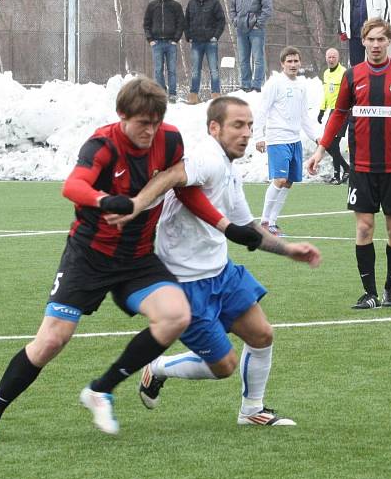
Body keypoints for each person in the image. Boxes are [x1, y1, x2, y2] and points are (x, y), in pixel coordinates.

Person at [0, 77, 262, 443]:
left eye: (156, 122)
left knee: (175, 315)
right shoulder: (103, 145)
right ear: (123, 116)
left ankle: (101, 389)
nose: (150, 131)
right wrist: (105, 200)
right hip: (89, 257)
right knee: (51, 341)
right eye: (142, 123)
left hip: (137, 258)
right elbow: (72, 186)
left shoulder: (169, 141)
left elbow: (183, 190)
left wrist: (226, 226)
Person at [137, 96, 321, 426]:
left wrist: (288, 249)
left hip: (221, 272)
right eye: (238, 125)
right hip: (185, 285)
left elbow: (247, 228)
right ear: (214, 128)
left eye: (250, 125)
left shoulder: (228, 168)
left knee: (262, 335)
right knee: (223, 367)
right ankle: (158, 367)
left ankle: (252, 411)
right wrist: (136, 206)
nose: (246, 133)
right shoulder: (206, 158)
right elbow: (170, 177)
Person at [304, 19, 391, 310]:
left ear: (389, 41)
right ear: (362, 41)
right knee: (364, 229)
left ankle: (390, 289)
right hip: (361, 167)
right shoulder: (352, 77)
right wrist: (321, 150)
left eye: (381, 40)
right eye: (371, 40)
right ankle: (369, 293)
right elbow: (338, 114)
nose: (375, 45)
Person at [254, 46, 318, 237]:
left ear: (300, 62)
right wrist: (258, 136)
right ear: (282, 64)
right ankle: (264, 222)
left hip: (294, 140)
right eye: (289, 61)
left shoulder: (301, 85)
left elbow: (304, 115)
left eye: (295, 61)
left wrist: (316, 137)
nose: (293, 65)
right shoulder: (275, 83)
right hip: (277, 139)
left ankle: (273, 222)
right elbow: (262, 110)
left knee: (289, 182)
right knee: (279, 180)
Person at [229, 0, 273, 92]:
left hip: (256, 31)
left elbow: (267, 10)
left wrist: (258, 24)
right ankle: (245, 84)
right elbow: (232, 8)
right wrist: (235, 21)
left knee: (258, 58)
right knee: (243, 59)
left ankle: (256, 85)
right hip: (241, 30)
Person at [184, 0, 226, 105]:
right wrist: (188, 35)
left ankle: (216, 96)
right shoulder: (191, 3)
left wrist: (216, 36)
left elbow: (221, 21)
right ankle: (193, 97)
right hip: (196, 42)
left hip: (210, 42)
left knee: (214, 69)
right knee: (195, 70)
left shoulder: (214, 2)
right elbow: (186, 21)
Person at [339, 0, 391, 67]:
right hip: (355, 34)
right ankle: (358, 82)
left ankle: (374, 82)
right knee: (356, 64)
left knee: (375, 61)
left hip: (372, 34)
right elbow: (343, 10)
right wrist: (343, 30)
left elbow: (386, 10)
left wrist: (385, 30)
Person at [143, 0, 185, 103]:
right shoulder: (152, 6)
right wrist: (150, 39)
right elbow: (146, 24)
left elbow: (180, 23)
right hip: (156, 43)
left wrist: (175, 39)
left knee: (172, 69)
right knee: (158, 70)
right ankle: (161, 92)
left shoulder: (175, 6)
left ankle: (172, 94)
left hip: (171, 43)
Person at [318, 47, 350, 185]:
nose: (331, 60)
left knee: (334, 143)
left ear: (338, 58)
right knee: (327, 143)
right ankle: (347, 168)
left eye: (334, 57)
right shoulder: (326, 73)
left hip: (343, 111)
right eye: (329, 57)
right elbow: (326, 93)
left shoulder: (344, 72)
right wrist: (321, 110)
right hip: (332, 111)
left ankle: (337, 175)